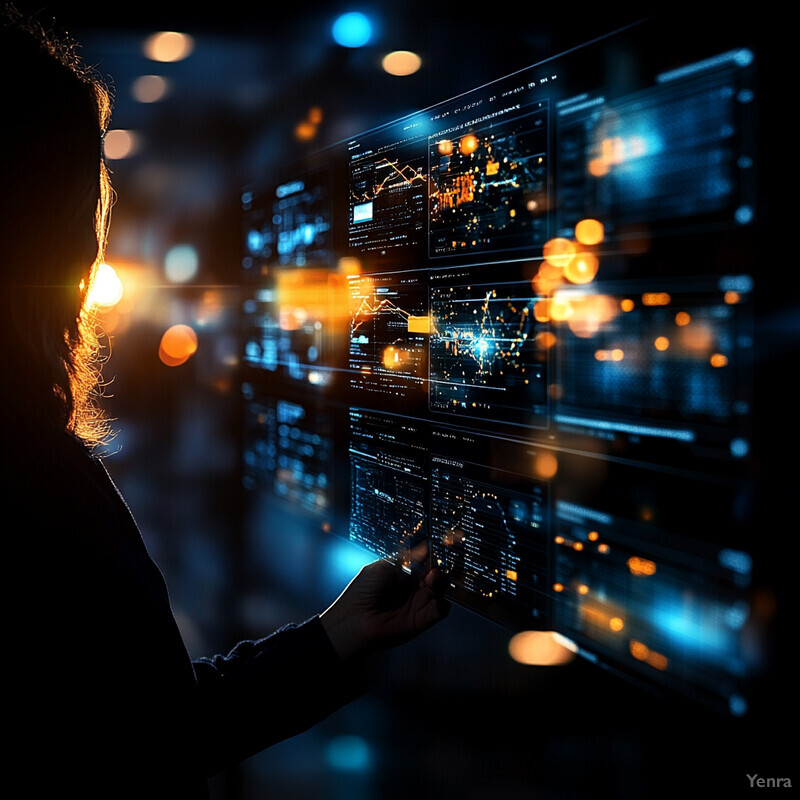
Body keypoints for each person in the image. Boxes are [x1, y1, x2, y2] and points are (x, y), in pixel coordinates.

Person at [0, 5, 448, 796]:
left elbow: (137, 722)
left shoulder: (33, 457)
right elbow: (146, 742)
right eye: (86, 198)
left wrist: (333, 637)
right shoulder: (29, 474)